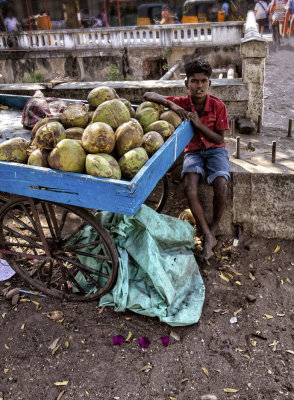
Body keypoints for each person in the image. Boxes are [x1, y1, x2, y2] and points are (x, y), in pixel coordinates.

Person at [143, 58, 230, 260]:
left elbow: (219, 138)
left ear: (210, 83)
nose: (199, 86)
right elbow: (148, 94)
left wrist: (198, 124)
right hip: (193, 152)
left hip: (215, 150)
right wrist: (171, 105)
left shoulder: (218, 106)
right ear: (186, 83)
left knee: (221, 184)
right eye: (194, 81)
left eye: (203, 81)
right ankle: (207, 234)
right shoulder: (183, 103)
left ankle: (214, 229)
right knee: (189, 187)